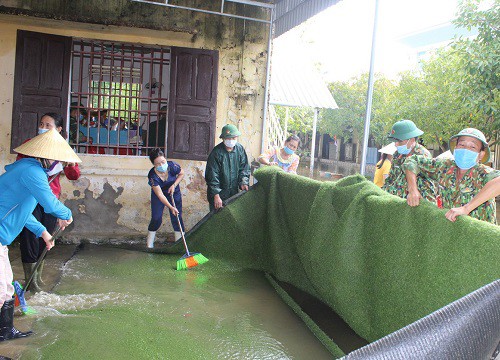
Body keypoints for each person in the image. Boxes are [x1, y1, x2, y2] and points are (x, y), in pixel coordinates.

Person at [0, 128, 80, 342]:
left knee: (7, 289)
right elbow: (49, 203)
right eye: (59, 160)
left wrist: (43, 232)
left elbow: (23, 213)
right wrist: (67, 214)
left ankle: (5, 331)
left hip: (1, 240)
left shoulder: (30, 171)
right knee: (0, 292)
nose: (61, 165)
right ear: (48, 158)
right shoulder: (32, 172)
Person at [16, 113, 81, 292]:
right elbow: (20, 164)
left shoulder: (63, 149)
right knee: (30, 236)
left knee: (46, 237)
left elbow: (74, 176)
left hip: (51, 198)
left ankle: (37, 277)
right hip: (31, 197)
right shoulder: (31, 144)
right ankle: (30, 280)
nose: (43, 127)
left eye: (48, 125)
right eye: (41, 124)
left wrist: (69, 164)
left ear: (58, 129)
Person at [403, 128, 500, 224]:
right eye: (461, 144)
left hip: (479, 234)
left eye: (472, 147)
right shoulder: (444, 166)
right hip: (451, 231)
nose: (465, 149)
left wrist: (466, 208)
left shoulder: (482, 173)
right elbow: (412, 160)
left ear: (481, 154)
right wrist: (412, 190)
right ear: (455, 148)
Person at [382, 119, 436, 203]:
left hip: (417, 205)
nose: (396, 144)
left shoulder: (423, 155)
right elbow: (391, 179)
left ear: (412, 140)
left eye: (399, 141)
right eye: (395, 141)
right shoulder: (397, 155)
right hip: (397, 203)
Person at [205, 124, 250, 211]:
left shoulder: (240, 149)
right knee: (218, 219)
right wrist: (216, 195)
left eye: (234, 138)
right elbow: (212, 175)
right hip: (219, 194)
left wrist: (244, 182)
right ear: (223, 139)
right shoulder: (216, 153)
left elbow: (244, 168)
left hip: (233, 192)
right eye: (229, 138)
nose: (231, 141)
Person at [146, 148, 185, 248]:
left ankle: (179, 244)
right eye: (158, 164)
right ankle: (149, 244)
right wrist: (170, 207)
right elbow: (160, 195)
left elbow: (182, 173)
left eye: (163, 162)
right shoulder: (152, 176)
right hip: (159, 195)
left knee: (177, 216)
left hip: (174, 192)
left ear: (165, 159)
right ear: (154, 165)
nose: (161, 165)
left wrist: (174, 185)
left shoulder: (173, 166)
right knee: (156, 217)